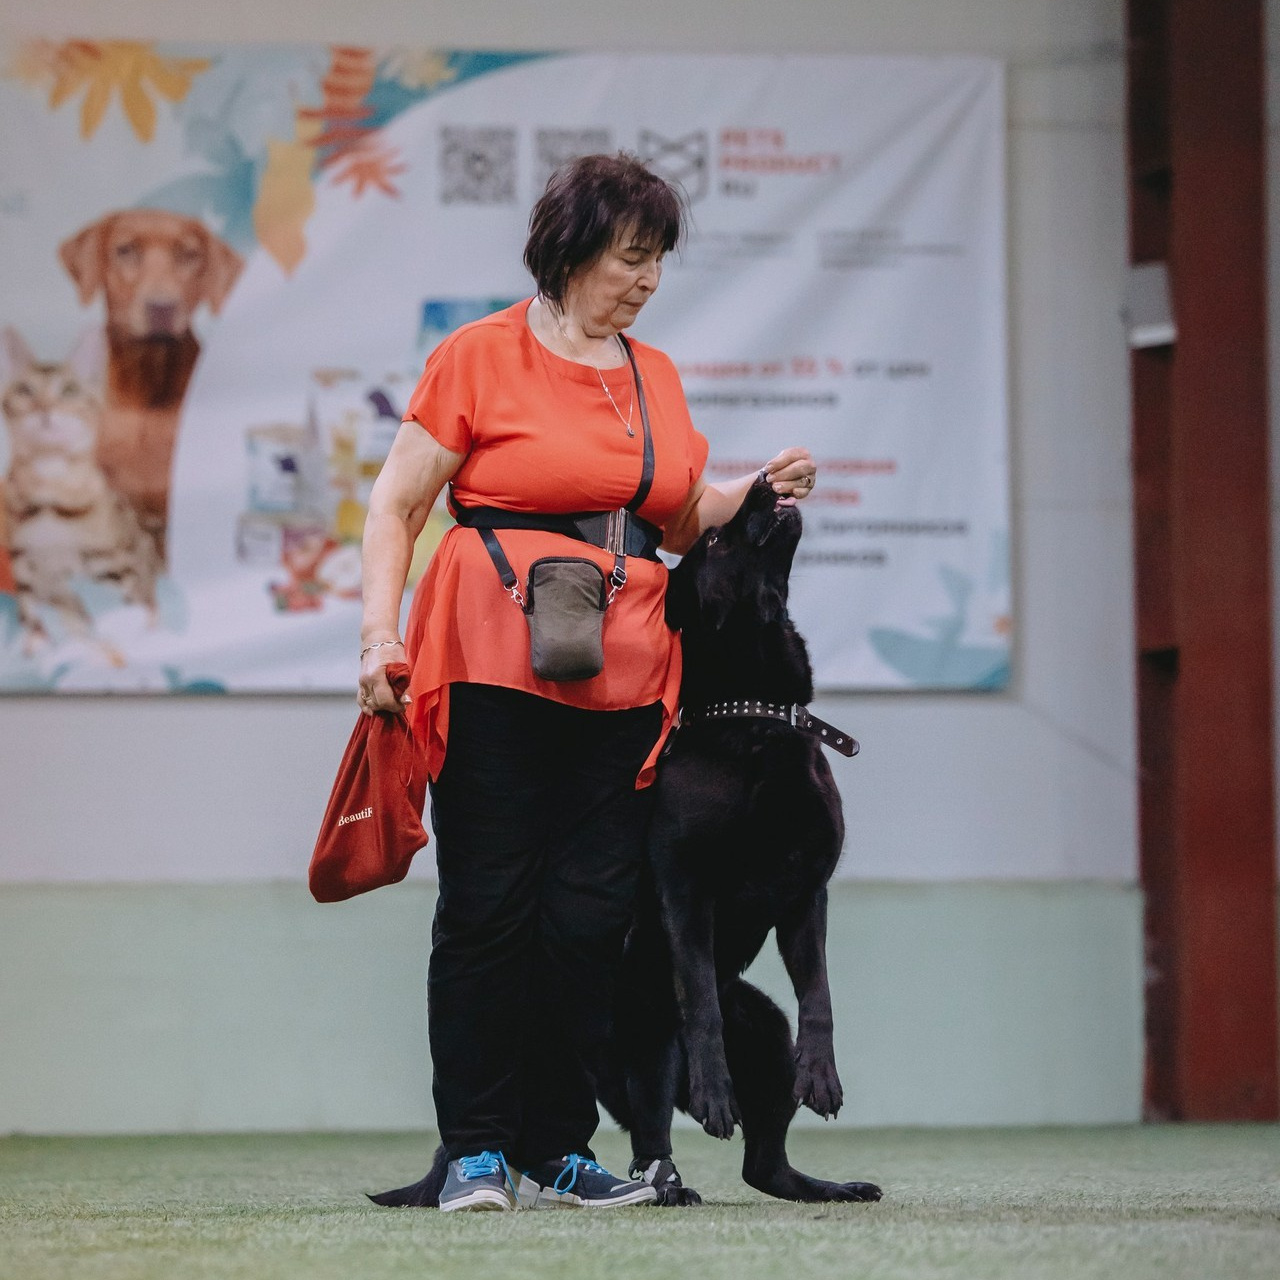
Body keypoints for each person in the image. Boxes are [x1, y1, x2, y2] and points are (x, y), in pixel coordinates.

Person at [358, 152, 817, 1212]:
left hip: (623, 673)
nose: (647, 278)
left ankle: (556, 1145)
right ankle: (475, 1149)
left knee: (589, 915)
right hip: (490, 656)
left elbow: (673, 510)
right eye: (630, 256)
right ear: (568, 251)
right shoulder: (478, 355)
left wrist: (755, 487)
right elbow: (395, 505)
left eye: (658, 260)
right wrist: (377, 634)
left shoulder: (652, 372)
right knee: (487, 908)